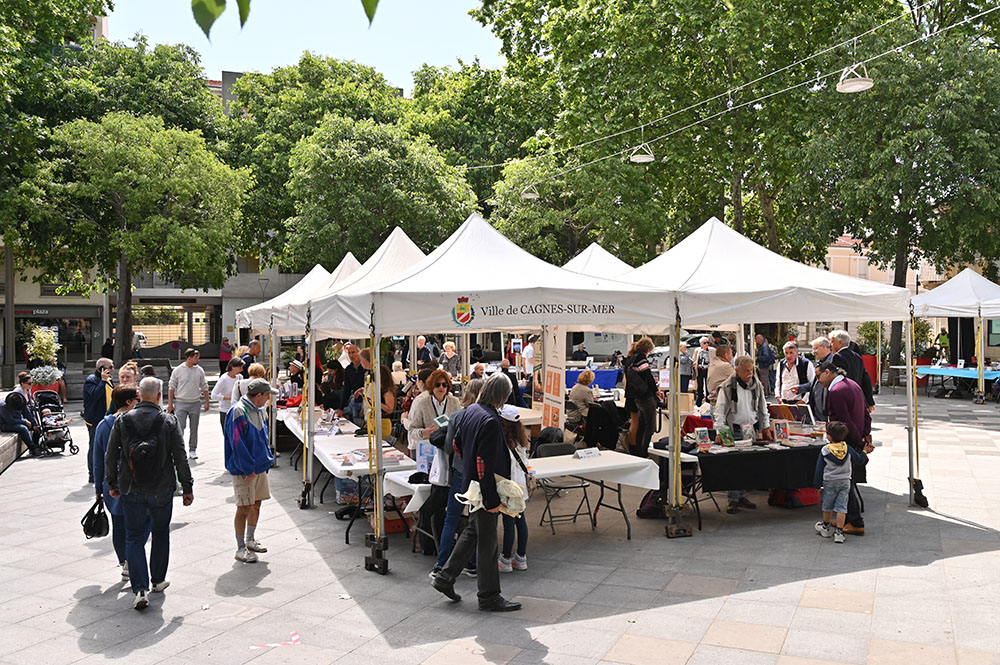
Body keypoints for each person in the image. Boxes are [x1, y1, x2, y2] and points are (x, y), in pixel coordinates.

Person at [431, 372, 521, 612]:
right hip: (484, 489)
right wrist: (491, 498)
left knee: (473, 532)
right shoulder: (490, 420)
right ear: (501, 395)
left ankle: (445, 577)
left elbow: (457, 444)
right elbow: (484, 461)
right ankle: (489, 596)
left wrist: (469, 468)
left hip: (473, 485)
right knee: (488, 543)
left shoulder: (471, 411)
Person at [105, 376, 194, 610]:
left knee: (133, 536)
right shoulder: (168, 421)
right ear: (159, 395)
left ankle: (140, 588)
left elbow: (111, 455)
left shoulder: (122, 420)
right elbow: (180, 456)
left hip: (131, 487)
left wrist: (112, 483)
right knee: (161, 531)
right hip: (161, 488)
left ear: (139, 395)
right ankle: (158, 580)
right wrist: (187, 486)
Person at [431, 377, 485, 577]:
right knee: (475, 519)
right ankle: (472, 562)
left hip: (460, 471)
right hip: (480, 474)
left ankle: (442, 563)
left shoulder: (456, 416)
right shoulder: (488, 416)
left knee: (451, 519)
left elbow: (447, 447)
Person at [94, 384, 145, 581]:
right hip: (134, 481)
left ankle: (125, 561)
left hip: (111, 482)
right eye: (137, 400)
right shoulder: (136, 423)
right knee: (137, 524)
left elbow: (98, 459)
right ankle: (130, 561)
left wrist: (99, 487)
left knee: (119, 523)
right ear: (128, 402)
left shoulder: (103, 425)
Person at [408, 368, 461, 552]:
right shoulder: (422, 403)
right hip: (427, 456)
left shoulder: (455, 403)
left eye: (444, 385)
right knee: (432, 500)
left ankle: (440, 540)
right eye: (438, 384)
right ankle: (430, 544)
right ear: (431, 386)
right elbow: (411, 431)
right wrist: (425, 432)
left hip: (450, 457)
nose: (441, 388)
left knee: (442, 501)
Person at [225, 378, 277, 563]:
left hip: (259, 467)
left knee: (256, 503)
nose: (268, 399)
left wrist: (265, 461)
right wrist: (248, 468)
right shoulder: (238, 411)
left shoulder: (259, 410)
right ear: (259, 395)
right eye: (267, 396)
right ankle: (240, 548)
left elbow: (262, 437)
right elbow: (237, 443)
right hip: (244, 469)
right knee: (244, 506)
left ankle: (250, 539)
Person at [816, 362, 872, 535]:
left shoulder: (837, 391)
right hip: (855, 439)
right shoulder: (852, 384)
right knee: (848, 483)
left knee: (846, 485)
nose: (818, 381)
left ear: (828, 372)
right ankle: (847, 520)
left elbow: (845, 421)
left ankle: (855, 522)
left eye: (819, 376)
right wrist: (865, 436)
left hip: (847, 441)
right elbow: (865, 414)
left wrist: (860, 442)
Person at [714, 355, 774, 513]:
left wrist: (765, 427)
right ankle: (733, 499)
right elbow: (719, 411)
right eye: (746, 370)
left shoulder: (757, 384)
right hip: (735, 429)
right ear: (736, 370)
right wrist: (720, 430)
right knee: (735, 466)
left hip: (751, 428)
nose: (749, 373)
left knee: (747, 466)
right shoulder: (727, 387)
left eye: (751, 370)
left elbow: (762, 407)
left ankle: (741, 496)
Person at [813, 421, 864, 544]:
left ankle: (825, 527)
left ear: (829, 436)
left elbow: (819, 469)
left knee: (827, 506)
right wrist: (864, 452)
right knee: (842, 507)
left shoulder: (825, 450)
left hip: (830, 482)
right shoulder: (848, 449)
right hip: (845, 481)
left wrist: (817, 484)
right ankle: (839, 532)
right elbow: (859, 460)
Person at [498, 405, 530, 573]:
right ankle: (521, 557)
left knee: (509, 524)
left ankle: (506, 559)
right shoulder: (521, 440)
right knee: (521, 521)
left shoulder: (502, 443)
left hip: (508, 487)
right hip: (520, 486)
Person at [167, 349, 210, 460]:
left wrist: (207, 401)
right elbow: (171, 387)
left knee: (194, 428)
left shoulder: (199, 370)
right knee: (180, 427)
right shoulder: (178, 370)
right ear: (189, 358)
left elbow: (204, 386)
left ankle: (192, 449)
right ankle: (179, 449)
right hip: (181, 402)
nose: (198, 359)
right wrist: (170, 404)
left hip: (195, 402)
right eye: (196, 357)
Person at [625, 337, 658, 458]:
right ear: (648, 349)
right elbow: (647, 376)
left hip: (636, 396)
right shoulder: (641, 359)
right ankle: (644, 451)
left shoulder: (631, 359)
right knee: (650, 424)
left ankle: (638, 448)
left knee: (641, 423)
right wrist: (656, 390)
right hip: (645, 395)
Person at [83, 358, 114, 482]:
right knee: (95, 446)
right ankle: (92, 474)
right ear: (102, 369)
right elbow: (95, 395)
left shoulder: (109, 381)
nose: (113, 369)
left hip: (108, 418)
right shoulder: (91, 380)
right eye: (110, 367)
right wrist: (102, 381)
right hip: (95, 419)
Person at [829, 330, 875, 412]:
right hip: (858, 396)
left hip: (845, 398)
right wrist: (869, 402)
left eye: (832, 342)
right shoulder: (857, 356)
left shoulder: (838, 357)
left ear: (840, 343)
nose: (830, 345)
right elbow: (866, 379)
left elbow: (837, 380)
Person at [802, 337, 833, 422]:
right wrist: (801, 388)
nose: (814, 352)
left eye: (815, 348)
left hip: (825, 410)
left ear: (823, 347)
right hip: (817, 409)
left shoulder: (832, 362)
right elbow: (814, 383)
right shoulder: (820, 362)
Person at [212, 358, 245, 431]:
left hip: (238, 409)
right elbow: (214, 395)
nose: (241, 370)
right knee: (227, 434)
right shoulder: (224, 379)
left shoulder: (240, 377)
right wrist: (229, 398)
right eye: (240, 367)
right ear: (233, 367)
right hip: (226, 410)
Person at [338, 344, 365, 424]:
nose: (351, 355)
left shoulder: (365, 367)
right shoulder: (348, 369)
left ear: (359, 353)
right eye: (349, 353)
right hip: (355, 401)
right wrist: (341, 408)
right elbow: (347, 388)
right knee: (356, 421)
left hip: (366, 400)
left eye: (353, 352)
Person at [694, 337, 712, 406]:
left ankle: (708, 400)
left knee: (708, 386)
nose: (706, 344)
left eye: (707, 343)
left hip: (708, 369)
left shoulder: (711, 350)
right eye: (705, 343)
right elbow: (695, 358)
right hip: (700, 369)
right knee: (700, 386)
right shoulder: (697, 350)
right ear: (701, 344)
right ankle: (699, 400)